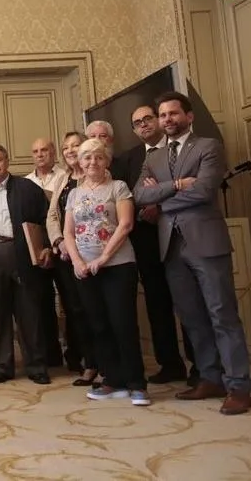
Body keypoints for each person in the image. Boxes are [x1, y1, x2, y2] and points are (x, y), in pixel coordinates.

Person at [134, 91, 251, 416]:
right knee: (192, 318)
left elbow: (203, 191)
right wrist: (176, 185)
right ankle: (210, 377)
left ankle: (239, 385)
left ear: (188, 116)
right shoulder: (154, 157)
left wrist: (162, 199)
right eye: (163, 115)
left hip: (206, 242)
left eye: (173, 113)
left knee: (222, 315)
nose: (167, 119)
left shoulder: (208, 146)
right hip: (171, 247)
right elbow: (140, 194)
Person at [113, 105, 195, 385]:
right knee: (157, 305)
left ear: (159, 121)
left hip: (181, 239)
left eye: (148, 118)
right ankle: (170, 363)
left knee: (188, 304)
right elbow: (127, 197)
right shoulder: (127, 159)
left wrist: (157, 201)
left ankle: (200, 366)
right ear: (134, 130)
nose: (144, 125)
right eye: (137, 122)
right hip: (146, 242)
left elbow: (193, 187)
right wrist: (144, 203)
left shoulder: (182, 149)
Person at [62, 138, 148, 406]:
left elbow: (125, 224)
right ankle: (112, 380)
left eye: (98, 156)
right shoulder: (74, 194)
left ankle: (136, 383)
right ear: (79, 161)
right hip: (85, 270)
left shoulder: (118, 187)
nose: (92, 162)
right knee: (98, 326)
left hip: (118, 266)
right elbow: (68, 231)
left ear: (107, 161)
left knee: (123, 324)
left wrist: (103, 258)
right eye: (86, 157)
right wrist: (77, 261)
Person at [0, 144, 51, 385]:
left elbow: (45, 219)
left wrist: (44, 247)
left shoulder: (27, 188)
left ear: (7, 161)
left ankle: (36, 366)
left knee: (28, 312)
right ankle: (2, 366)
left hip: (20, 252)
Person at [46, 132, 99, 385]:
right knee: (75, 310)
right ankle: (89, 363)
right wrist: (59, 241)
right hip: (65, 255)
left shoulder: (95, 178)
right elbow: (52, 216)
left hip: (91, 253)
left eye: (74, 146)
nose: (69, 151)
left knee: (94, 309)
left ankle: (105, 362)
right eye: (65, 147)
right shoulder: (63, 180)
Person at [26, 137, 70, 368]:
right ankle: (50, 354)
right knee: (42, 305)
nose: (40, 154)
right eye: (36, 151)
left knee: (71, 304)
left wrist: (56, 245)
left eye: (44, 150)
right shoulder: (25, 182)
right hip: (38, 251)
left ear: (53, 153)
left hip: (63, 249)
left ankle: (75, 355)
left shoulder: (65, 176)